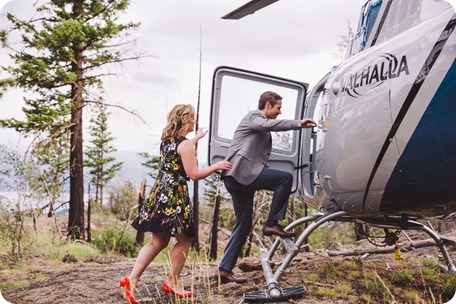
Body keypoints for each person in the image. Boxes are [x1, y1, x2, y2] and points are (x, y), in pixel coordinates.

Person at [117, 104, 232, 303]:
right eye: (192, 118)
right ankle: (172, 281)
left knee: (158, 241)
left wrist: (197, 137)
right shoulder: (184, 145)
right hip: (174, 196)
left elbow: (182, 148)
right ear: (185, 120)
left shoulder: (166, 140)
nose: (194, 122)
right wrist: (217, 166)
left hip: (160, 193)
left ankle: (132, 279)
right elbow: (194, 174)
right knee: (185, 239)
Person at [215, 91, 316, 284]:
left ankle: (224, 269)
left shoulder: (260, 123)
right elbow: (269, 125)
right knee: (285, 179)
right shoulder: (254, 117)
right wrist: (298, 123)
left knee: (243, 225)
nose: (279, 111)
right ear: (267, 105)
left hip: (239, 179)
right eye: (278, 107)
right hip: (240, 175)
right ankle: (271, 223)